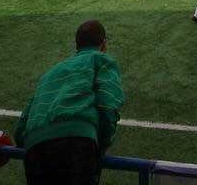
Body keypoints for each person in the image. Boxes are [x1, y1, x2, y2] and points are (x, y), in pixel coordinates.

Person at [15, 20, 125, 185]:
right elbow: (108, 104)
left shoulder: (51, 73)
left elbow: (24, 121)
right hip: (76, 144)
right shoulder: (101, 60)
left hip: (35, 146)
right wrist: (101, 144)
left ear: (76, 45)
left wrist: (28, 141)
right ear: (104, 45)